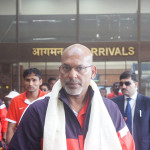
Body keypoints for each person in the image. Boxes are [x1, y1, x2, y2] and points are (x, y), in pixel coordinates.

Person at [7, 44, 134, 150]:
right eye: (66, 68)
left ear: (93, 72)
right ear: (60, 71)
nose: (72, 75)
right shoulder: (38, 111)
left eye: (80, 68)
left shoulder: (110, 109)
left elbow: (127, 146)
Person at [6, 68, 46, 144]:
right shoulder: (15, 100)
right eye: (27, 80)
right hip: (22, 143)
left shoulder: (48, 99)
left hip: (43, 143)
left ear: (40, 82)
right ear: (24, 81)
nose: (30, 83)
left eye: (34, 80)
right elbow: (11, 128)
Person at [111, 71, 150, 150]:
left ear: (136, 84)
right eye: (121, 84)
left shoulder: (147, 103)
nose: (123, 86)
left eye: (127, 83)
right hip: (119, 146)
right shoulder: (113, 103)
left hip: (142, 146)